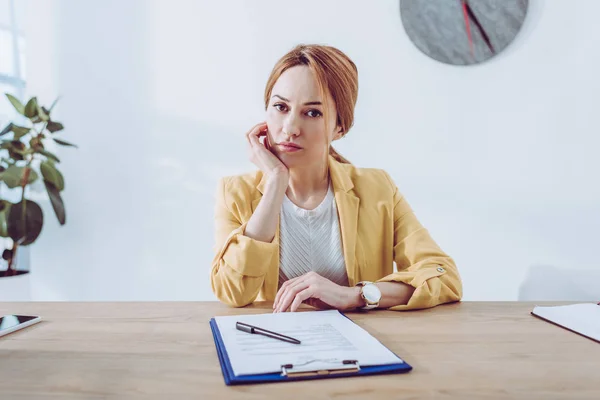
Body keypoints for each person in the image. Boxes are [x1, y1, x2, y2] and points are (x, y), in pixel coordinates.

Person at [210, 44, 462, 312]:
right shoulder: (235, 193)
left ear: (339, 127)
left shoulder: (377, 189)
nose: (290, 128)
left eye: (313, 112)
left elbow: (444, 277)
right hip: (272, 345)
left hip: (359, 349)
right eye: (281, 107)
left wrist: (354, 295)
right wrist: (275, 181)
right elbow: (232, 291)